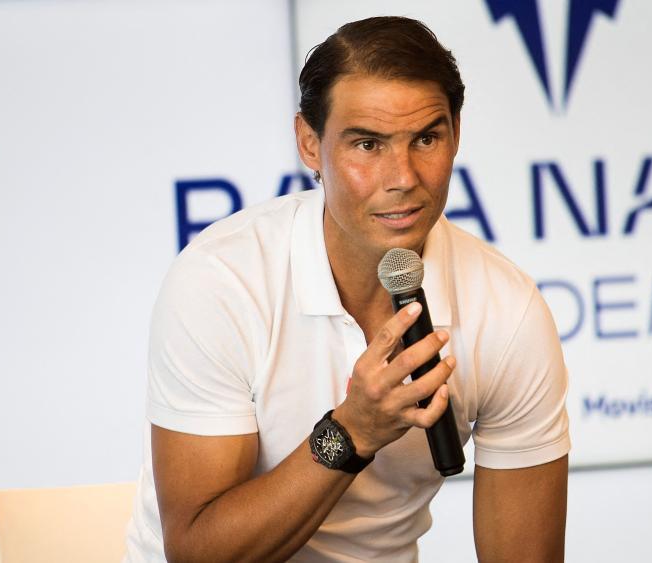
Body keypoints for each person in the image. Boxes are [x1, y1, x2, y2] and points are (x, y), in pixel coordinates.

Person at [124, 15, 570, 563]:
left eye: (426, 138)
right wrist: (353, 430)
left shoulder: (508, 310)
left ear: (456, 133)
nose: (403, 177)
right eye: (367, 144)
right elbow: (197, 553)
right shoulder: (220, 282)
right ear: (309, 144)